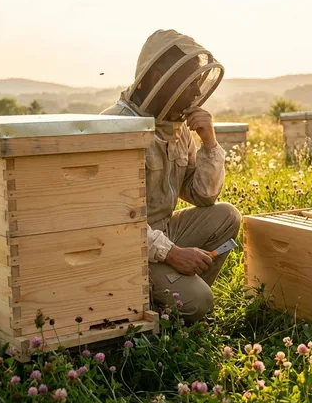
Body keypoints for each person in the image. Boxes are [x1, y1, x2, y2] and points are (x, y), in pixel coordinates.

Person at [100, 29, 240, 323]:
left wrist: (210, 143)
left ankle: (178, 297)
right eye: (188, 83)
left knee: (227, 215)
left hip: (164, 230)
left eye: (198, 82)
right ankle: (171, 305)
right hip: (127, 243)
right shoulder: (116, 128)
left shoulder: (178, 129)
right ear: (156, 79)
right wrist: (171, 253)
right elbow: (115, 218)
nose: (196, 92)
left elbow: (204, 195)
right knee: (199, 302)